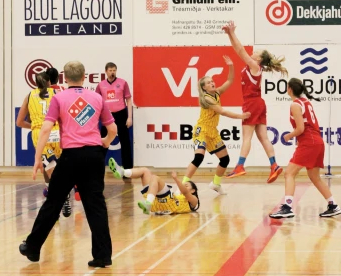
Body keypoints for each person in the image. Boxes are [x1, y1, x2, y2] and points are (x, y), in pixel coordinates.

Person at [19, 61, 117, 268]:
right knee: (96, 205)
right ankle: (102, 255)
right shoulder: (96, 97)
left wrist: (37, 159)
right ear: (84, 76)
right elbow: (113, 129)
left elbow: (45, 129)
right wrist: (104, 144)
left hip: (70, 156)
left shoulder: (59, 98)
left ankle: (33, 247)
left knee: (53, 202)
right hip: (93, 156)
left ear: (64, 78)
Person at [222, 20, 287, 182]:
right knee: (263, 137)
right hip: (258, 103)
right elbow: (239, 50)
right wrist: (230, 34)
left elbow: (240, 50)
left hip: (252, 103)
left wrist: (232, 33)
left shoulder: (255, 67)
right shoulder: (255, 68)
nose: (253, 53)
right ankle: (274, 165)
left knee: (247, 138)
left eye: (256, 52)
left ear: (259, 58)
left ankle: (240, 166)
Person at [269, 77, 341, 220]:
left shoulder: (295, 105)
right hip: (317, 142)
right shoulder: (306, 102)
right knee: (314, 177)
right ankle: (333, 205)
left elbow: (301, 128)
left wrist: (289, 136)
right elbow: (308, 125)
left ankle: (287, 207)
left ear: (289, 89)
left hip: (310, 143)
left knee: (289, 173)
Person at [182, 56, 250, 196]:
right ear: (204, 87)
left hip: (212, 132)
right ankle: (182, 185)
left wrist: (230, 65)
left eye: (212, 81)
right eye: (208, 82)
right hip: (201, 131)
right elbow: (222, 111)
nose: (212, 83)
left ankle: (216, 183)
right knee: (199, 158)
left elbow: (230, 80)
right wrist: (240, 116)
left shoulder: (217, 93)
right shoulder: (206, 98)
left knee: (225, 159)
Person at [16, 70, 71, 217]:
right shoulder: (56, 94)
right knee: (58, 168)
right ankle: (61, 195)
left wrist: (34, 125)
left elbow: (19, 122)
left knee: (50, 169)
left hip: (40, 134)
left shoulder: (29, 96)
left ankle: (60, 197)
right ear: (49, 83)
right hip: (57, 132)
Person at [108, 158, 199, 215]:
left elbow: (185, 192)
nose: (183, 186)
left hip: (167, 203)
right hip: (156, 204)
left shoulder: (193, 201)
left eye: (186, 185)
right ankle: (122, 172)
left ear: (193, 190)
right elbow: (183, 191)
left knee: (155, 178)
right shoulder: (178, 193)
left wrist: (176, 179)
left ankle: (148, 203)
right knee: (145, 171)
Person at [95, 63, 133, 169]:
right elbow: (96, 101)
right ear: (106, 71)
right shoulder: (101, 85)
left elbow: (128, 100)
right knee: (102, 142)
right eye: (110, 70)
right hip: (107, 116)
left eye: (114, 70)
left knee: (125, 142)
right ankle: (98, 168)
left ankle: (128, 170)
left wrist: (129, 117)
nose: (112, 72)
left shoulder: (123, 83)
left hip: (121, 114)